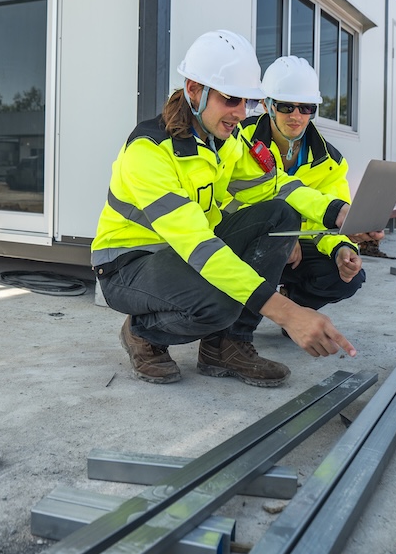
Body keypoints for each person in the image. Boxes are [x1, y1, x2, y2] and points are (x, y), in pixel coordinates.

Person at [91, 30, 358, 388]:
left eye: (247, 103)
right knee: (220, 302)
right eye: (231, 99)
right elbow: (199, 246)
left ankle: (226, 346)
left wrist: (338, 213)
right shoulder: (150, 151)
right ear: (194, 90)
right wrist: (287, 312)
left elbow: (277, 186)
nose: (240, 114)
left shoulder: (225, 142)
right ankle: (143, 332)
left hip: (180, 255)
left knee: (280, 214)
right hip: (128, 264)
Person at [234, 56, 384, 311]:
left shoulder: (330, 161)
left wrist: (342, 249)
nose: (296, 116)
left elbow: (327, 219)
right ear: (266, 104)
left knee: (348, 278)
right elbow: (225, 201)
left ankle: (296, 302)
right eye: (286, 107)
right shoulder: (238, 139)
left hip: (298, 249)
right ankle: (234, 331)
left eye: (306, 108)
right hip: (246, 243)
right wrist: (281, 237)